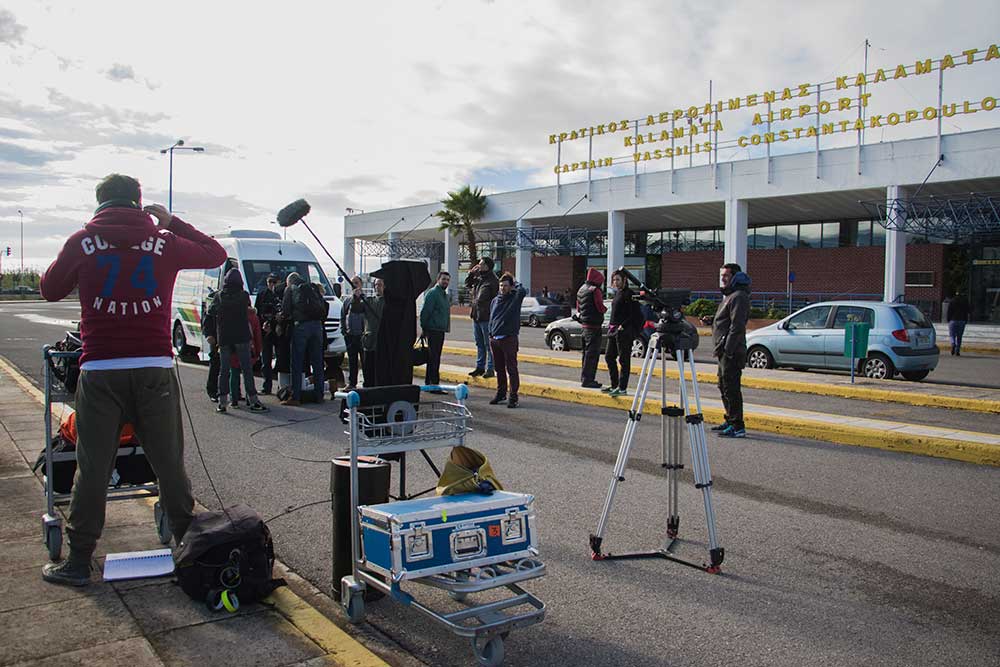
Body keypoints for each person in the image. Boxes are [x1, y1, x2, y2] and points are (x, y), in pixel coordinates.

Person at [38, 173, 226, 586]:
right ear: (140, 203)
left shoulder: (82, 241)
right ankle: (189, 549)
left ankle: (78, 560)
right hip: (154, 367)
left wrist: (76, 249)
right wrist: (172, 222)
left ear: (100, 203)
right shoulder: (164, 242)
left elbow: (49, 289)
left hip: (100, 370)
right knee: (168, 464)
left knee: (93, 467)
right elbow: (216, 253)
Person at [215, 268, 266, 413]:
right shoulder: (244, 296)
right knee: (246, 369)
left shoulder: (219, 296)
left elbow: (212, 312)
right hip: (241, 335)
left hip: (224, 336)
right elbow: (248, 309)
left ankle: (222, 402)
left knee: (224, 370)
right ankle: (253, 400)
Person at [712, 262, 751, 439]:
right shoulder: (731, 296)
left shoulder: (739, 297)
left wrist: (728, 350)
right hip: (724, 350)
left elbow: (737, 326)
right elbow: (727, 320)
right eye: (722, 275)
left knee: (731, 387)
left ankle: (737, 426)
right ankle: (729, 419)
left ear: (735, 277)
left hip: (732, 351)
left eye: (726, 275)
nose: (723, 279)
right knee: (723, 385)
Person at [281, 272, 327, 405]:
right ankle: (319, 395)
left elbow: (286, 311)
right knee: (317, 362)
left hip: (301, 327)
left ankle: (295, 397)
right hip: (317, 326)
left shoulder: (291, 289)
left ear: (289, 281)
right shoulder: (312, 287)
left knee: (297, 362)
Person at [488, 273, 528, 408]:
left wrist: (516, 283)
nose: (503, 288)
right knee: (499, 369)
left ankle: (513, 396)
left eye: (505, 286)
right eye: (501, 285)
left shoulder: (514, 298)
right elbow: (492, 318)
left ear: (511, 287)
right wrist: (490, 334)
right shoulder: (495, 300)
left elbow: (522, 291)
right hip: (495, 339)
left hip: (509, 339)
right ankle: (501, 393)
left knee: (511, 368)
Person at [603, 270, 635, 396]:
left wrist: (623, 325)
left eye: (618, 280)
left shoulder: (629, 294)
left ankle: (622, 388)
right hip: (613, 330)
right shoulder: (618, 293)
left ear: (624, 280)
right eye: (614, 280)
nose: (615, 282)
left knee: (624, 359)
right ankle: (614, 385)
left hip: (623, 332)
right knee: (609, 357)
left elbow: (633, 314)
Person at [465, 257, 498, 379]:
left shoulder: (493, 281)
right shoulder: (479, 278)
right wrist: (471, 274)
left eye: (482, 264)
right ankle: (480, 367)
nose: (479, 266)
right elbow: (468, 284)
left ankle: (490, 368)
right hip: (476, 316)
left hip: (487, 317)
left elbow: (495, 300)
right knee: (479, 343)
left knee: (488, 344)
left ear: (488, 266)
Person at [420, 271, 452, 389]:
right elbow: (425, 312)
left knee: (434, 357)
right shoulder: (433, 293)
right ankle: (434, 383)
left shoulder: (444, 295)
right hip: (433, 330)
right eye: (443, 279)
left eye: (447, 280)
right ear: (438, 280)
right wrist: (424, 328)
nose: (445, 282)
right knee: (434, 358)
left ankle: (430, 382)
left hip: (440, 330)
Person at [576, 267, 607, 388]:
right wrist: (605, 310)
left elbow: (578, 308)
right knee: (593, 355)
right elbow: (600, 307)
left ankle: (584, 378)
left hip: (584, 326)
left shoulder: (581, 289)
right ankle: (588, 380)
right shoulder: (595, 290)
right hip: (594, 326)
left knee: (586, 354)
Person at [254, 273, 281, 394]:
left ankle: (281, 386)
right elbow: (257, 313)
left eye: (274, 282)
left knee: (281, 360)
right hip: (266, 331)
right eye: (270, 282)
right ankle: (267, 386)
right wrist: (263, 325)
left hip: (278, 331)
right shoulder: (262, 295)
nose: (271, 284)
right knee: (266, 360)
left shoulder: (281, 295)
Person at [341, 275, 366, 389]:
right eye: (352, 283)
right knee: (352, 361)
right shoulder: (347, 301)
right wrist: (344, 332)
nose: (354, 285)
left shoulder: (366, 300)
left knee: (365, 361)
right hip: (350, 336)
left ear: (361, 284)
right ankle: (352, 383)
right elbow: (343, 316)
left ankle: (367, 383)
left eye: (356, 283)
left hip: (362, 336)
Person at [361, 277, 385, 386]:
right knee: (368, 369)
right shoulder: (369, 301)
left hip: (382, 341)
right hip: (370, 341)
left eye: (380, 285)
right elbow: (357, 309)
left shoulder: (388, 303)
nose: (377, 287)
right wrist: (356, 298)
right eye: (376, 285)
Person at [202, 288, 221, 402]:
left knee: (231, 366)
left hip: (228, 336)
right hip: (215, 336)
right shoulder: (214, 296)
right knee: (215, 364)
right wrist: (208, 334)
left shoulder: (237, 295)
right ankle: (212, 391)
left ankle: (232, 392)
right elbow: (207, 318)